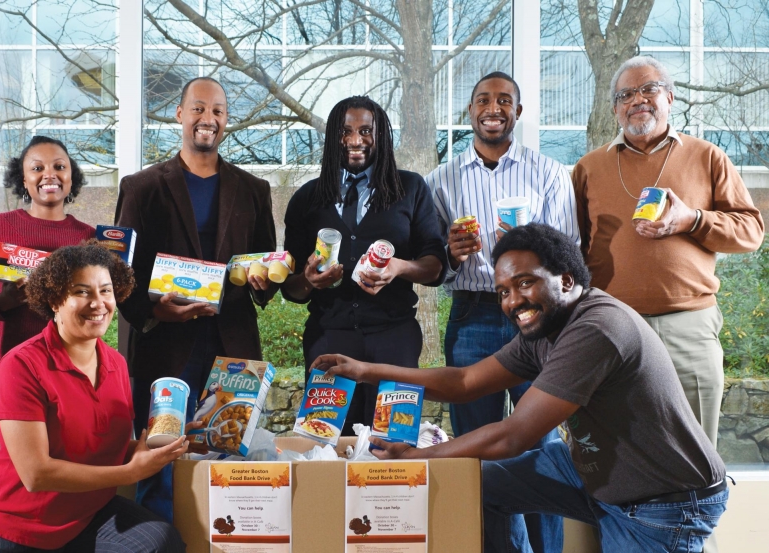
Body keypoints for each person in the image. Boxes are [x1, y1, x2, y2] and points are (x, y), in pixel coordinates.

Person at [315, 223, 728, 553]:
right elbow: (464, 381)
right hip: (593, 472)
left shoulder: (597, 329)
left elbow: (514, 436)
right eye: (503, 292)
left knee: (470, 466)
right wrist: (366, 370)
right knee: (479, 485)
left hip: (662, 503)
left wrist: (421, 458)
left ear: (566, 280)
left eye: (526, 283)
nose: (513, 301)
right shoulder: (545, 327)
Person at [572, 56, 764, 450]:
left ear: (671, 97)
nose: (638, 100)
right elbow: (572, 246)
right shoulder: (589, 167)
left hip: (689, 326)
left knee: (693, 451)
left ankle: (695, 513)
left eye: (649, 88)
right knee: (614, 447)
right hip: (613, 325)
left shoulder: (707, 156)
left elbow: (750, 231)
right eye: (626, 94)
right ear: (615, 108)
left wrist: (692, 220)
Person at [114, 76, 277, 521]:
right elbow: (120, 274)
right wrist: (152, 310)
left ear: (227, 120)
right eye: (200, 109)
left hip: (233, 348)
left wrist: (266, 280)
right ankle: (157, 543)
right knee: (160, 465)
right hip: (166, 347)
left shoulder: (253, 189)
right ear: (179, 115)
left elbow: (267, 265)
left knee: (233, 467)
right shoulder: (142, 187)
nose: (209, 119)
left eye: (219, 111)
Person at [425, 72, 575, 552]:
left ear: (518, 112)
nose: (494, 107)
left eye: (504, 100)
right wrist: (451, 254)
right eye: (484, 100)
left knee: (543, 448)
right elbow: (434, 268)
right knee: (474, 448)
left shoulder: (549, 173)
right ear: (469, 112)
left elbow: (569, 253)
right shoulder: (440, 180)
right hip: (473, 314)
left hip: (538, 320)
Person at [0, 241, 186, 552]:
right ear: (55, 300)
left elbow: (107, 446)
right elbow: (36, 474)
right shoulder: (21, 365)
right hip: (14, 528)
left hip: (83, 516)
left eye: (106, 291)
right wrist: (130, 473)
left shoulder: (116, 364)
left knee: (161, 543)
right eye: (82, 292)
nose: (98, 303)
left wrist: (172, 440)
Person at [282, 95, 446, 433]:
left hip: (394, 340)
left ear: (381, 136)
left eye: (366, 131)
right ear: (332, 138)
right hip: (329, 339)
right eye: (345, 132)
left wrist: (399, 267)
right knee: (324, 441)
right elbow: (290, 288)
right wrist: (309, 281)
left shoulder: (411, 188)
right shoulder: (307, 199)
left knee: (393, 441)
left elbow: (435, 266)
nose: (355, 141)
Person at [0, 136, 96, 482]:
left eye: (59, 166)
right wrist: (2, 302)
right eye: (36, 168)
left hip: (67, 373)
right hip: (4, 370)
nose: (49, 174)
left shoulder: (88, 238)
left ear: (72, 176)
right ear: (23, 179)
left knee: (61, 474)